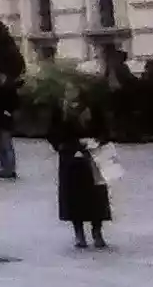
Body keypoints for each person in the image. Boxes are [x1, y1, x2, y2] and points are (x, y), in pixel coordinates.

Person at [48, 83, 112, 250]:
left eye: (73, 89)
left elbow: (104, 129)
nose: (70, 93)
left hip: (93, 155)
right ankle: (79, 233)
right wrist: (66, 145)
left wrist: (96, 141)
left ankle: (97, 232)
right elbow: (53, 133)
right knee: (74, 197)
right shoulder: (61, 111)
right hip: (70, 157)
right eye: (67, 90)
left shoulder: (92, 108)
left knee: (96, 196)